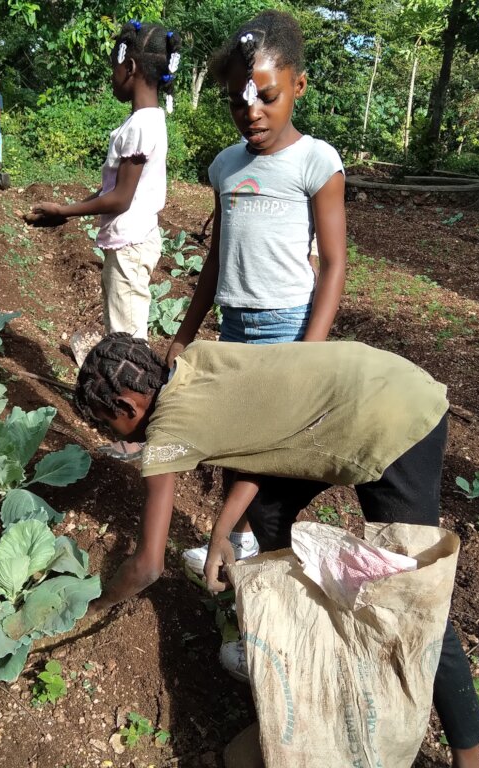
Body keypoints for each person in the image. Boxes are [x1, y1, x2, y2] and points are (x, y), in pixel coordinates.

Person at [75, 333, 479, 768]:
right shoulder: (197, 360)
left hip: (396, 419)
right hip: (367, 381)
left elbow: (148, 566)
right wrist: (221, 531)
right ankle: (302, 638)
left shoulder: (167, 436)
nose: (115, 436)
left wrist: (95, 605)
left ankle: (469, 758)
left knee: (414, 599)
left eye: (108, 424)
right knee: (269, 515)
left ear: (126, 406)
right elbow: (261, 443)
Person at [164, 11, 347, 580]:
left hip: (288, 326)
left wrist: (310, 349)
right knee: (234, 439)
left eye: (267, 97)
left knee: (267, 451)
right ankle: (239, 541)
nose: (252, 112)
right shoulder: (226, 166)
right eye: (237, 102)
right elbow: (216, 258)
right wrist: (185, 333)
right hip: (235, 326)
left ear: (299, 85)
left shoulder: (316, 162)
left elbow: (335, 264)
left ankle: (257, 552)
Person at [28, 20, 181, 461]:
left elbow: (120, 198)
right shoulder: (146, 121)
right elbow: (110, 190)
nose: (111, 77)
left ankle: (139, 436)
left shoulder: (140, 127)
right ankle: (139, 425)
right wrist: (66, 212)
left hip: (130, 245)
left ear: (129, 67)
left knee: (127, 346)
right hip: (130, 242)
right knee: (124, 336)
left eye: (113, 67)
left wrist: (65, 211)